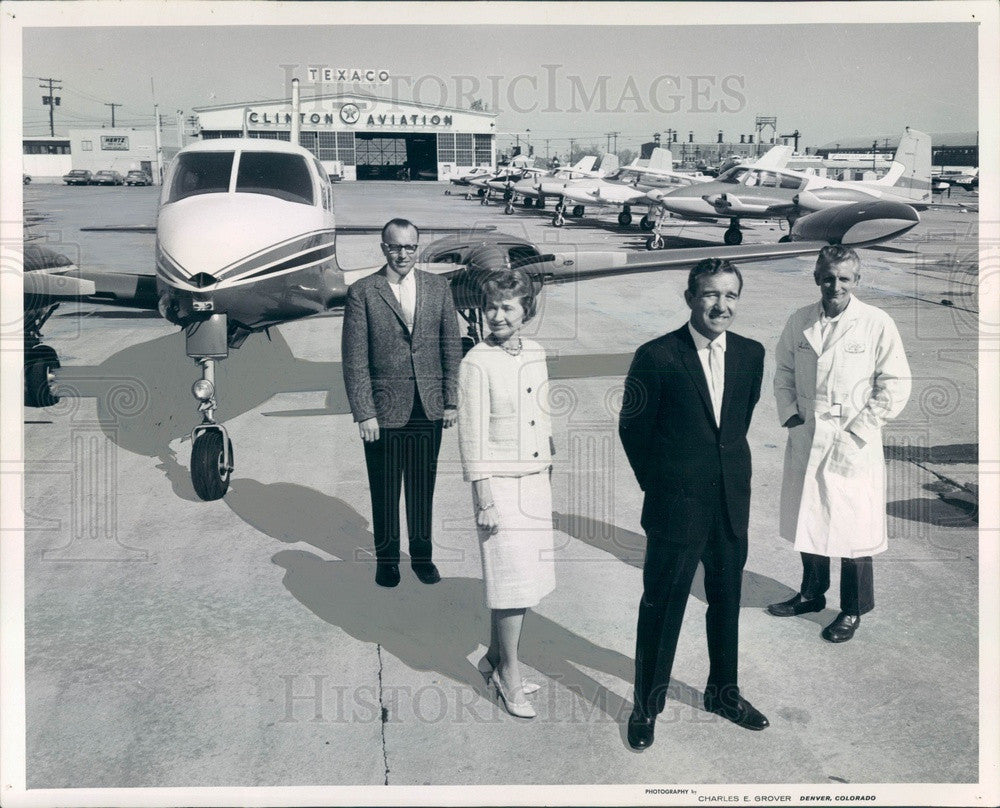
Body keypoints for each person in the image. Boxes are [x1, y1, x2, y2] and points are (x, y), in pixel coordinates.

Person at [618, 258, 768, 750]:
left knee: (726, 603)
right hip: (675, 506)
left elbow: (737, 423)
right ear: (690, 298)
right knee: (662, 609)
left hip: (729, 503)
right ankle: (647, 706)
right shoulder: (657, 356)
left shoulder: (751, 353)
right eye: (709, 294)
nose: (720, 305)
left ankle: (723, 692)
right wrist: (663, 487)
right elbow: (633, 430)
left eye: (730, 295)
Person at [767, 245, 911, 642]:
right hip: (808, 433)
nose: (835, 285)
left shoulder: (876, 323)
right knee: (808, 517)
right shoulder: (800, 321)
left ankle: (852, 609)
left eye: (844, 278)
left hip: (852, 440)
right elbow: (782, 370)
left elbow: (895, 384)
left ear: (856, 281)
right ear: (817, 278)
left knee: (852, 529)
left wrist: (860, 430)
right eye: (828, 277)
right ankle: (812, 594)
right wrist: (791, 414)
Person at [342, 218, 462, 588]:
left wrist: (451, 400)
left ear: (417, 248)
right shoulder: (363, 291)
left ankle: (422, 558)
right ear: (383, 248)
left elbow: (450, 346)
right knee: (385, 488)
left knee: (422, 487)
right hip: (383, 411)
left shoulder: (438, 287)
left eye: (410, 247)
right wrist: (364, 412)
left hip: (428, 406)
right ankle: (388, 560)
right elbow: (354, 358)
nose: (403, 254)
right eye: (395, 247)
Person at [457, 267, 555, 720]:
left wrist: (547, 466)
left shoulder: (535, 351)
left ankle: (494, 657)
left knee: (522, 581)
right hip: (499, 486)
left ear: (525, 312)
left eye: (508, 307)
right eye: (491, 306)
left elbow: (542, 412)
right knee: (511, 585)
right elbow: (471, 436)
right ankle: (509, 674)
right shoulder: (476, 362)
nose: (497, 315)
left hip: (534, 479)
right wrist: (484, 498)